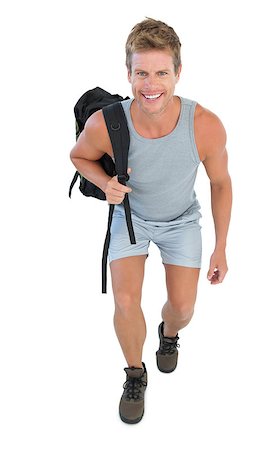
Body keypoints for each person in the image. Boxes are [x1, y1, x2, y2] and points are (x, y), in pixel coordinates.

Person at [70, 17, 232, 424]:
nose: (150, 83)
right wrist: (105, 182)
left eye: (161, 72)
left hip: (180, 221)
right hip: (131, 217)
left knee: (182, 308)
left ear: (178, 72)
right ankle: (134, 374)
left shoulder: (205, 125)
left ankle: (169, 334)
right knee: (125, 300)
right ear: (128, 73)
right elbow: (79, 156)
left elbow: (220, 184)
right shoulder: (107, 122)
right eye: (141, 72)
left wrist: (221, 246)